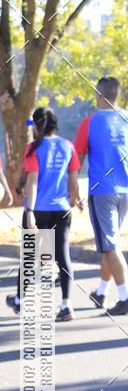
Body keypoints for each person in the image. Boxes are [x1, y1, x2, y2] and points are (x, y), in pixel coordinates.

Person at [5, 108, 82, 321]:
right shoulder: (68, 146)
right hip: (62, 210)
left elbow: (33, 181)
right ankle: (66, 305)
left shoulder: (34, 148)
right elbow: (73, 181)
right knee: (62, 256)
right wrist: (76, 200)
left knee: (29, 257)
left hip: (38, 210)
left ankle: (20, 301)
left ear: (37, 126)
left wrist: (29, 210)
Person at [74, 76, 128, 315]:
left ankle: (125, 298)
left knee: (110, 246)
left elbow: (76, 159)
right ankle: (102, 291)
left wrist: (73, 191)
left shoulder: (91, 122)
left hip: (102, 191)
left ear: (100, 95)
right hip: (125, 190)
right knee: (111, 244)